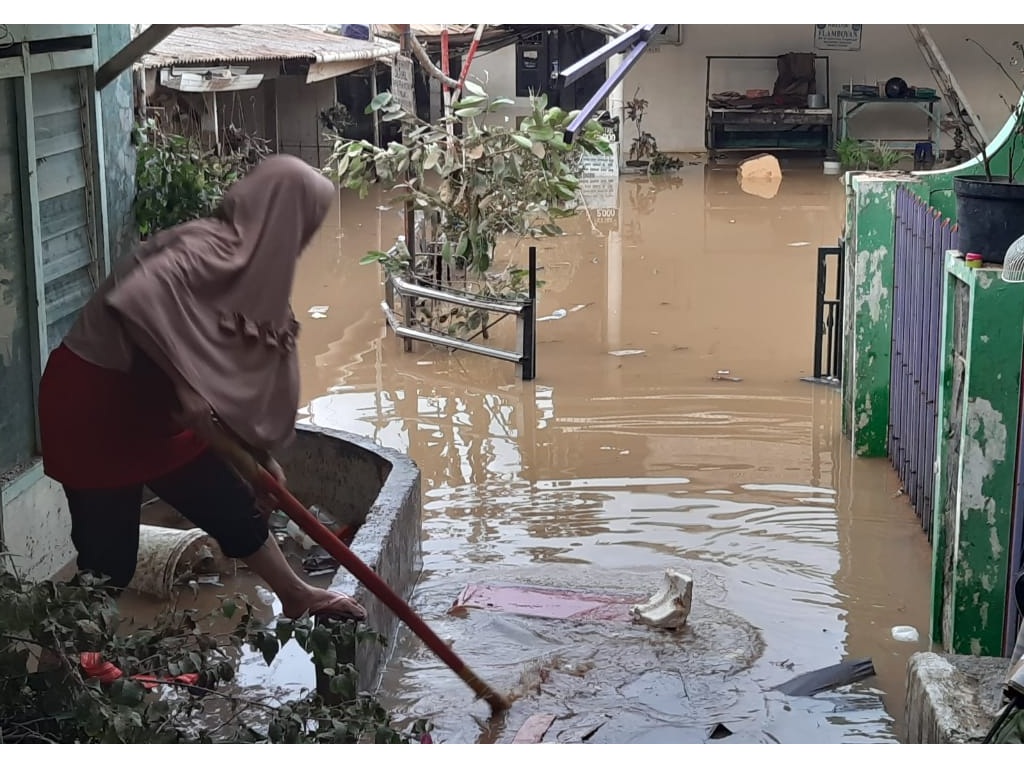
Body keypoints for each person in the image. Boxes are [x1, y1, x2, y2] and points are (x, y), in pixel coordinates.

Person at [37, 154, 365, 622]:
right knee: (109, 561)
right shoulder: (196, 250)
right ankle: (70, 668)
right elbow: (151, 322)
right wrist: (205, 410)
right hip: (94, 407)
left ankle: (296, 594)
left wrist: (263, 457)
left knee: (231, 504)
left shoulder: (256, 277)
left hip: (159, 413)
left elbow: (243, 374)